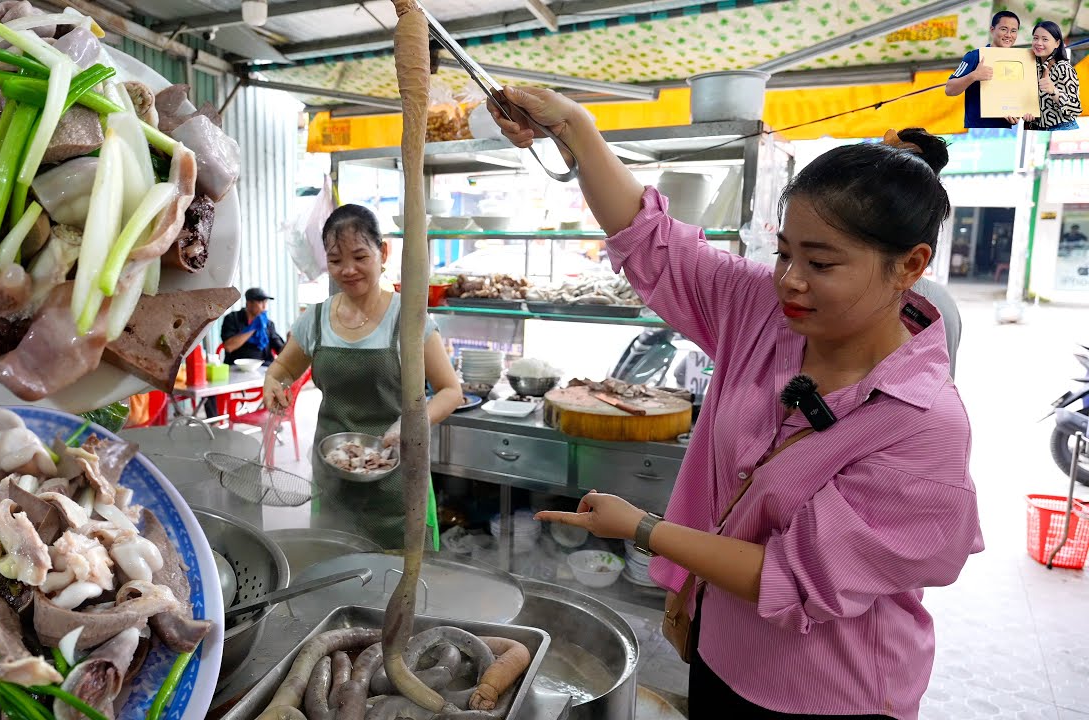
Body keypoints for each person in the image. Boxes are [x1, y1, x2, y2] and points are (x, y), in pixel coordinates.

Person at [491, 87, 983, 719]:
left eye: (821, 263)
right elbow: (654, 243)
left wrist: (643, 528)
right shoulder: (766, 312)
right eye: (784, 253)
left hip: (828, 692)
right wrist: (576, 128)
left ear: (910, 265)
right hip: (719, 649)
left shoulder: (922, 423)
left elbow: (793, 575)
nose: (791, 280)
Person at [261, 204, 463, 549]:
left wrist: (411, 422)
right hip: (334, 477)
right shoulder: (316, 319)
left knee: (399, 571)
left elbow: (450, 390)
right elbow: (282, 370)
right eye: (335, 260)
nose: (348, 270)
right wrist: (272, 383)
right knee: (336, 565)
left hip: (398, 483)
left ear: (382, 253)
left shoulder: (408, 318)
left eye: (360, 256)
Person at [944, 11, 1020, 128]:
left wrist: (1018, 113)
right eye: (1004, 29)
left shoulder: (1020, 61)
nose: (1008, 35)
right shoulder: (974, 56)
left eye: (1013, 31)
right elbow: (949, 89)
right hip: (976, 129)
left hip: (1009, 130)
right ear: (992, 30)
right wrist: (974, 75)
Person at [1024, 21, 1081, 132]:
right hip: (1038, 129)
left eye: (1045, 39)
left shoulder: (1063, 67)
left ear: (1057, 43)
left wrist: (1054, 91)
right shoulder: (1031, 67)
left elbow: (1076, 107)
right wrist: (1026, 113)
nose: (1038, 43)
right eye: (1035, 38)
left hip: (1061, 128)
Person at [221, 287, 285, 365]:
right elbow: (229, 347)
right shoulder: (232, 318)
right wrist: (253, 327)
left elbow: (281, 351)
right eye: (260, 302)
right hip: (237, 366)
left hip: (264, 365)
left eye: (265, 302)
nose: (264, 306)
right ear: (249, 303)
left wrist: (289, 342)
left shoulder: (268, 324)